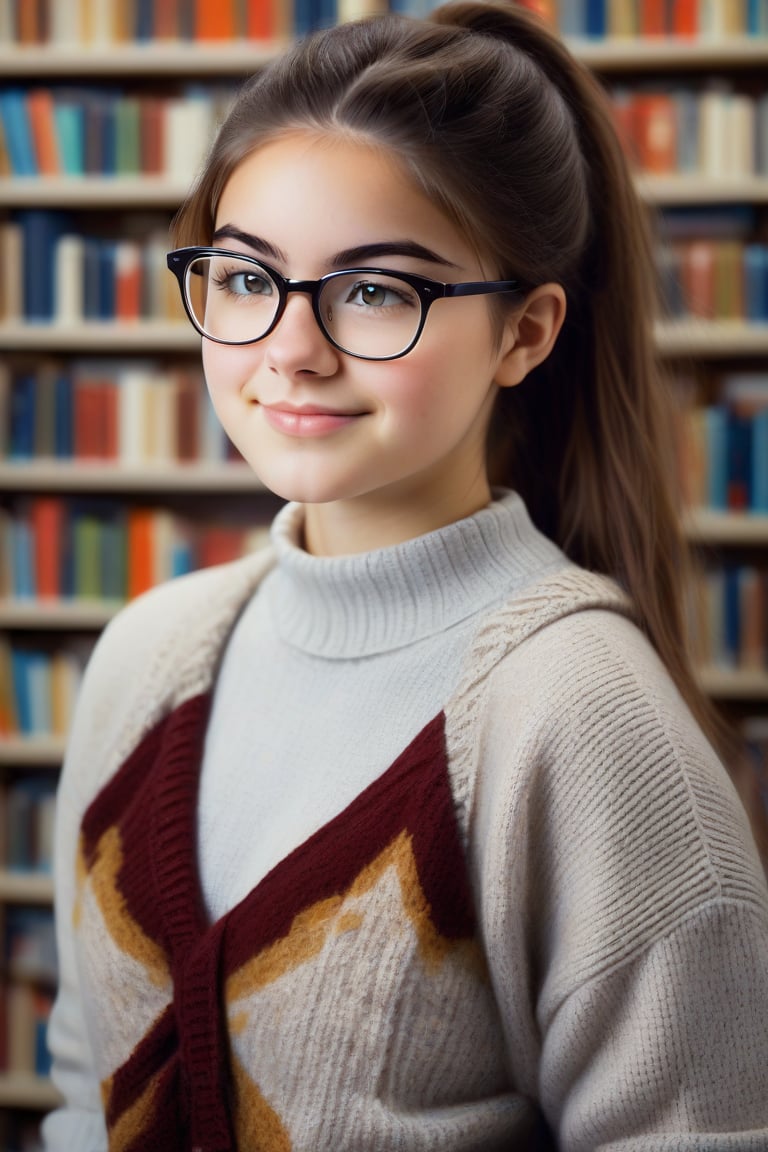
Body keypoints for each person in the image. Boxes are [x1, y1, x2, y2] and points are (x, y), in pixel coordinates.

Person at [43, 3, 768, 1150]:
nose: (289, 347)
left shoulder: (586, 722)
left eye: (376, 291)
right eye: (243, 278)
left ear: (526, 334)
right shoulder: (147, 654)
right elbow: (85, 1090)